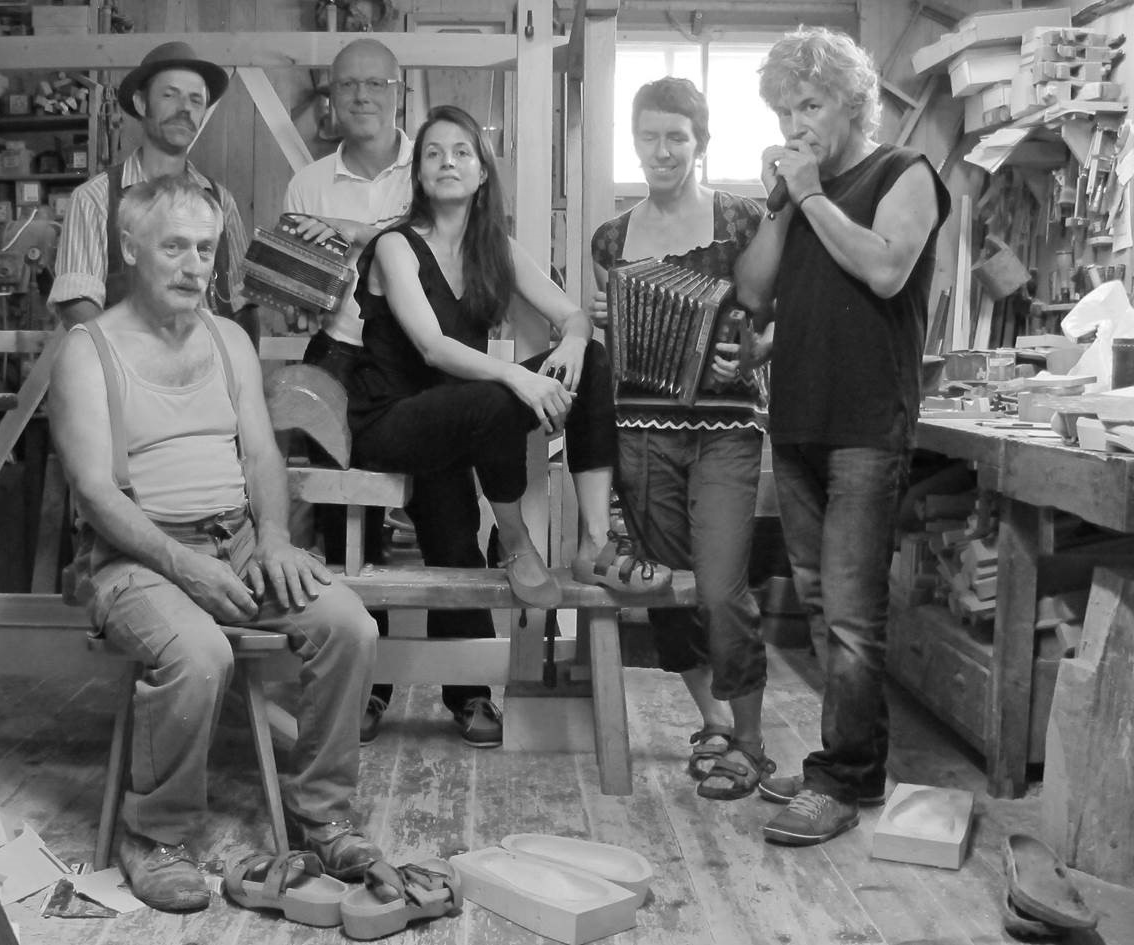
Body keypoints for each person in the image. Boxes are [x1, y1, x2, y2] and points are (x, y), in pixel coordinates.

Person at [48, 176, 382, 911]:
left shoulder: (229, 339)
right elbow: (95, 494)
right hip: (136, 556)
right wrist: (185, 567)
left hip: (238, 541)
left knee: (349, 626)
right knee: (202, 654)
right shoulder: (87, 351)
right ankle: (155, 835)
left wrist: (273, 538)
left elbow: (260, 455)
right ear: (130, 248)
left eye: (204, 249)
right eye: (174, 247)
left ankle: (323, 813)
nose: (193, 265)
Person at [346, 105, 672, 736]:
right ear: (418, 174)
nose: (447, 162)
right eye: (433, 153)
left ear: (482, 172)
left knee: (590, 363)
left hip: (463, 421)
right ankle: (518, 541)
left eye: (461, 152)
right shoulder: (394, 245)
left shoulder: (493, 248)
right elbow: (434, 347)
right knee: (497, 395)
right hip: (392, 422)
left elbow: (573, 314)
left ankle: (592, 544)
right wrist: (520, 377)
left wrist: (572, 340)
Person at [743, 27, 950, 845]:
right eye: (785, 110)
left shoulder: (905, 173)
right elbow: (756, 294)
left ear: (853, 102)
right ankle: (847, 762)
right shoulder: (802, 195)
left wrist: (812, 197)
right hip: (796, 419)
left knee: (855, 619)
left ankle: (845, 777)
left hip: (866, 422)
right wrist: (781, 203)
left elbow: (887, 270)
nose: (796, 123)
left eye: (810, 104)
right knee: (823, 607)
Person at [285, 39, 491, 747]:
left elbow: (449, 233)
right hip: (341, 355)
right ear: (331, 96)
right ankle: (363, 688)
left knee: (450, 517)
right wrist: (292, 283)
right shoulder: (309, 182)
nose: (362, 96)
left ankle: (470, 687)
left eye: (376, 84)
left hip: (423, 356)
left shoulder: (432, 160)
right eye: (348, 86)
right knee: (349, 527)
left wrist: (357, 234)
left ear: (398, 93)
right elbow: (304, 283)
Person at [590, 77, 774, 802]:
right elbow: (615, 337)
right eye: (649, 136)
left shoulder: (742, 220)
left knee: (722, 589)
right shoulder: (612, 238)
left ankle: (751, 744)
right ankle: (714, 722)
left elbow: (781, 312)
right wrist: (607, 320)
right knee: (664, 586)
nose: (661, 150)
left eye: (676, 136)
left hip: (727, 427)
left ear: (701, 143)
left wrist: (755, 355)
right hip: (641, 430)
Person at [49, 41, 258, 343]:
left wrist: (241, 365)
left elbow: (242, 303)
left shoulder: (221, 201)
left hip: (209, 368)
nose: (185, 108)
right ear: (141, 103)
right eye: (170, 95)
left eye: (196, 100)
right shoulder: (95, 199)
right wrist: (135, 362)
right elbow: (77, 305)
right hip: (127, 367)